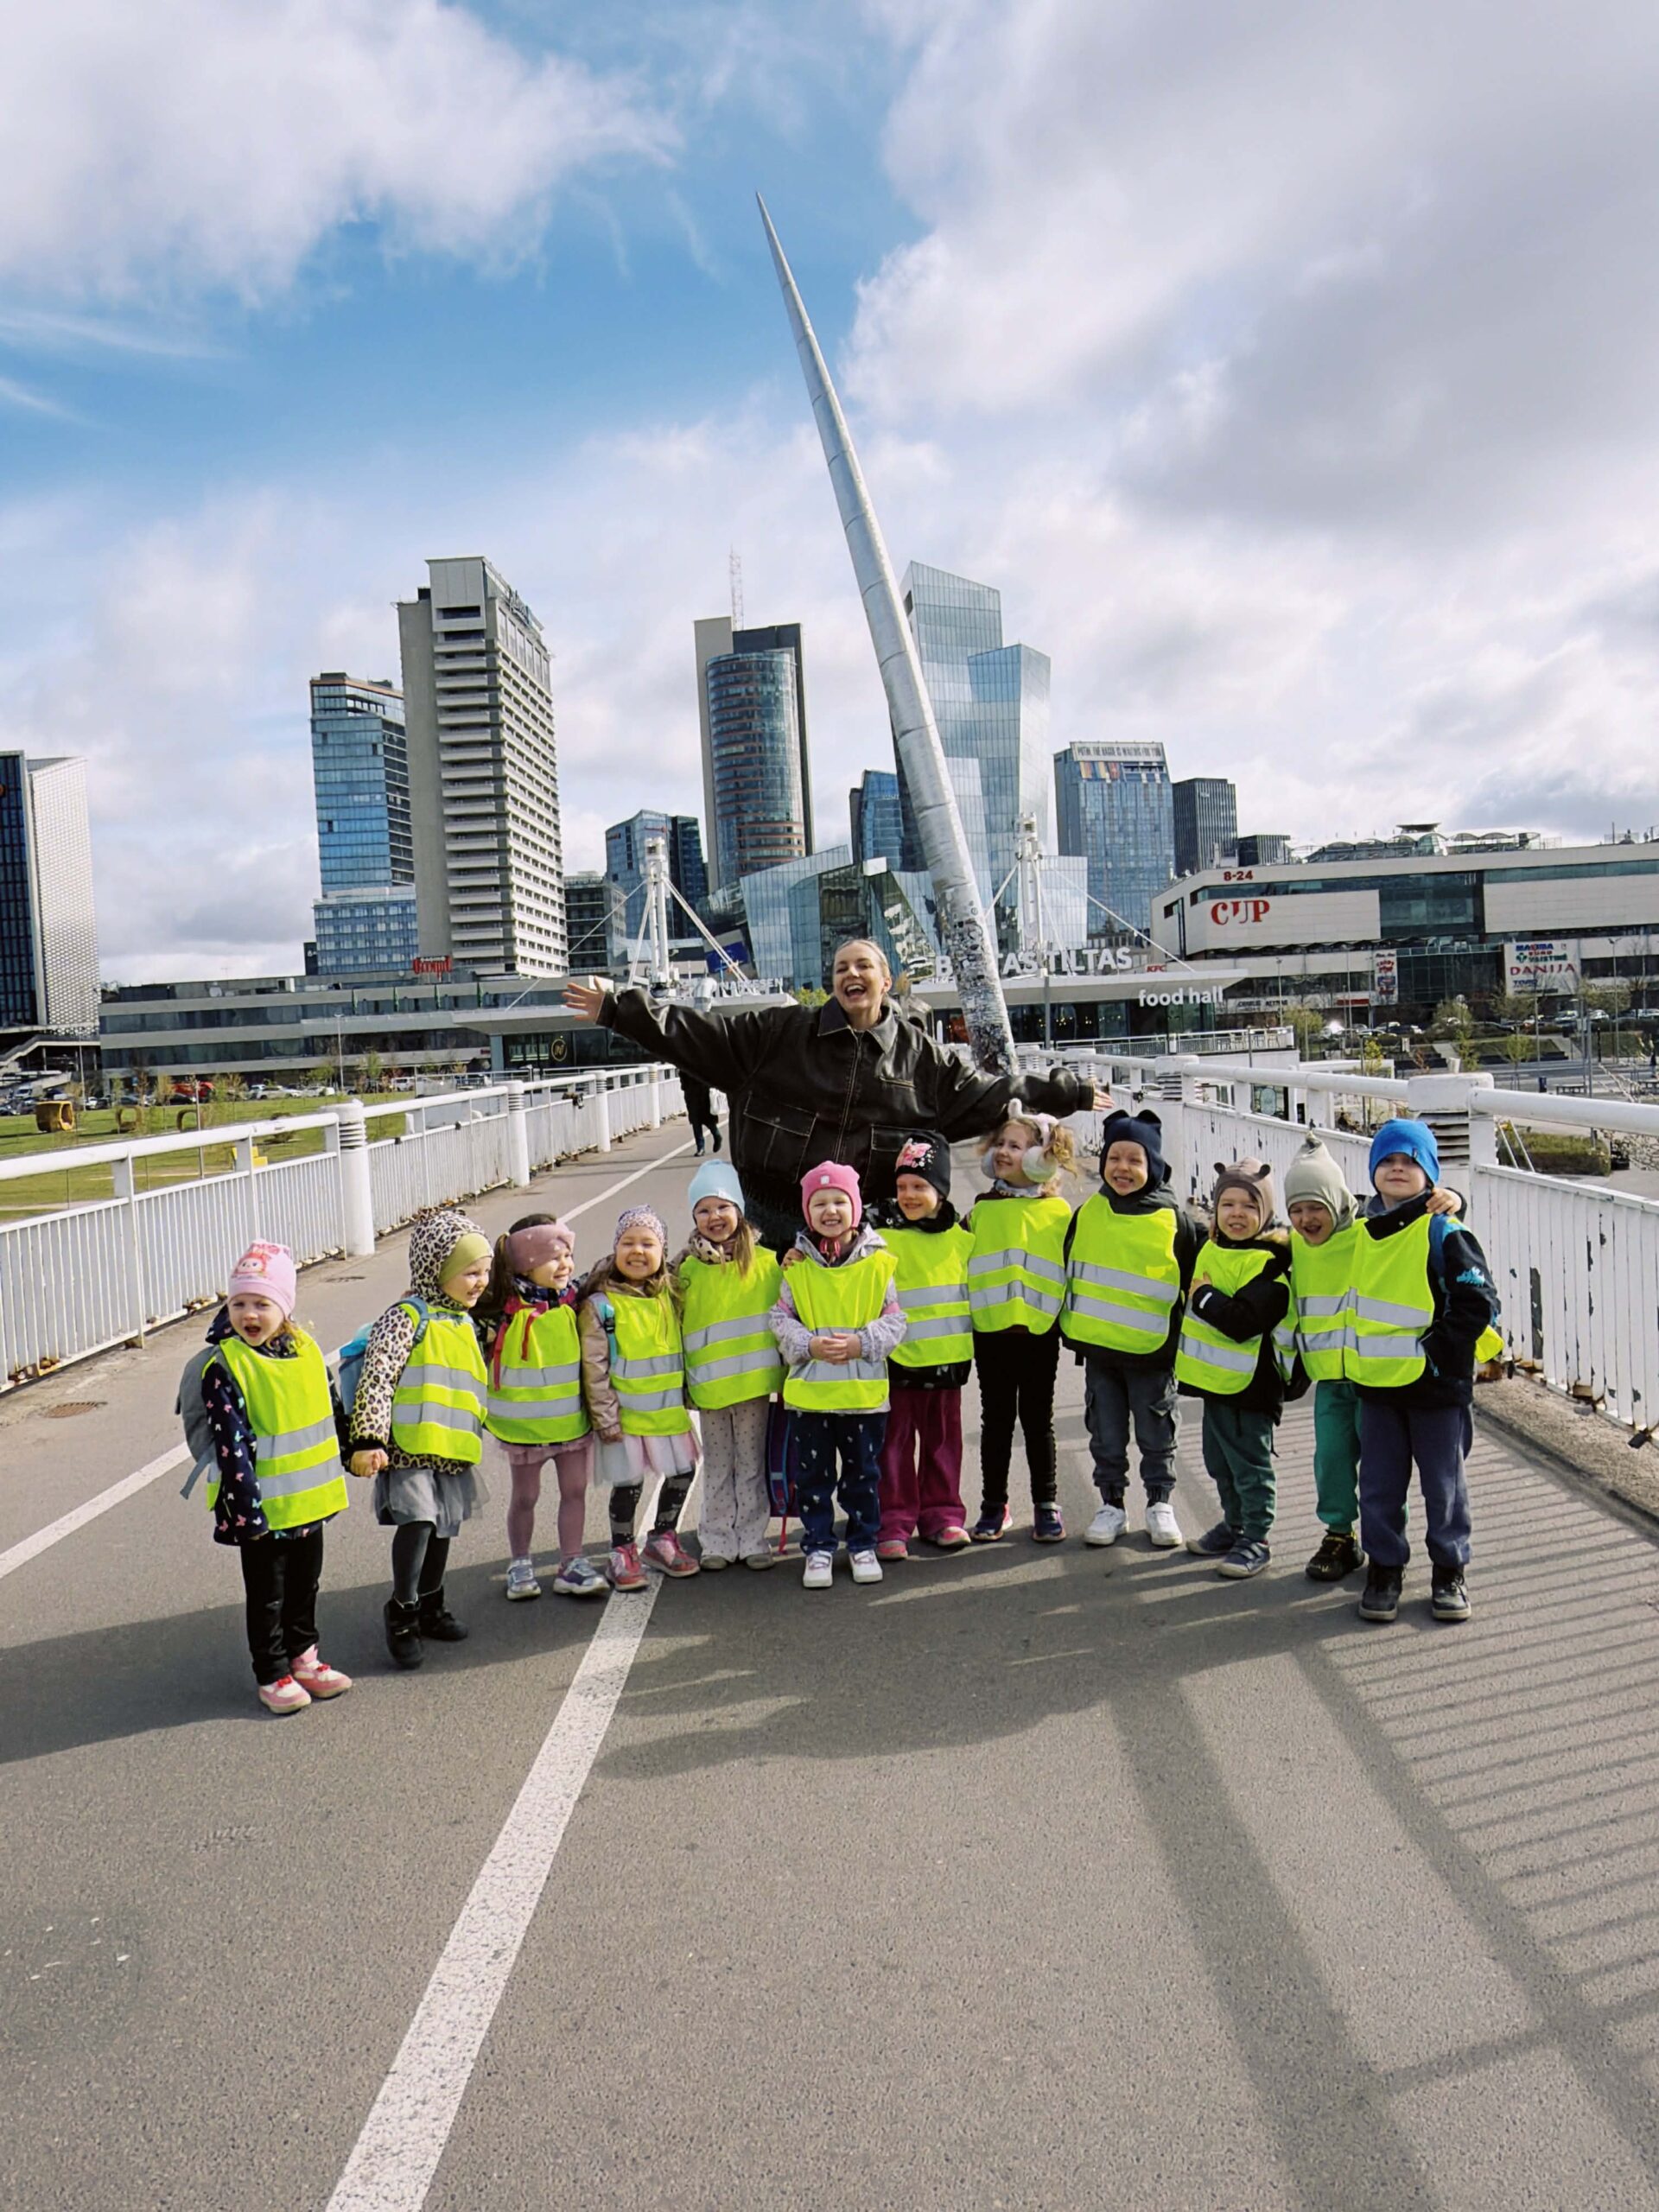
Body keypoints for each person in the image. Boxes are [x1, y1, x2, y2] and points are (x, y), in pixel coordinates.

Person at [564, 938, 1099, 1247]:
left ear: (885, 981)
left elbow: (989, 1095)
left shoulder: (922, 1058)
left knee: (854, 1356)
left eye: (863, 965)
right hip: (769, 1217)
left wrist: (1068, 1092)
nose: (851, 973)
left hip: (862, 1226)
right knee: (775, 1353)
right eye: (842, 968)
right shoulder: (780, 1033)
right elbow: (694, 1033)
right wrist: (617, 1009)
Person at [178, 1241, 352, 1714]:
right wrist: (246, 1513)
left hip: (308, 1502)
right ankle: (272, 1671)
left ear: (285, 1307)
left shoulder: (306, 1352)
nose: (249, 1314)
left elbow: (330, 1407)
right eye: (238, 1303)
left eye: (261, 1303)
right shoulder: (226, 1366)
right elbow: (230, 1444)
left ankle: (304, 1656)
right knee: (268, 1595)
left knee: (305, 1584)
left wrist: (355, 1448)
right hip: (258, 1509)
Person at [1349, 1119, 1499, 1626]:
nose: (1397, 1169)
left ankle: (1449, 1570)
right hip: (1378, 1384)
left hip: (1436, 1386)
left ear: (1430, 1175)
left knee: (1444, 1486)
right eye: (1387, 1161)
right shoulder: (1361, 1230)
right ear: (1373, 1170)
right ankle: (1384, 1568)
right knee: (1378, 1485)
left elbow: (1477, 1301)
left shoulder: (1444, 1231)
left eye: (1410, 1162)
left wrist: (1435, 1351)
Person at [348, 1207, 492, 1670]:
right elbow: (378, 1377)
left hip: (449, 1447)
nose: (480, 1282)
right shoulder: (407, 1316)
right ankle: (403, 1611)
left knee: (443, 1526)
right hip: (406, 1448)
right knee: (419, 1522)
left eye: (484, 1272)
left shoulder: (464, 1322)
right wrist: (368, 1438)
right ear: (438, 1270)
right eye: (470, 1272)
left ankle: (431, 1603)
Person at [1061, 1109, 1205, 1552]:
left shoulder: (1175, 1221)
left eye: (1135, 1160)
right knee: (1105, 1434)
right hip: (1101, 1352)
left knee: (1157, 1433)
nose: (1122, 1168)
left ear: (1154, 1165)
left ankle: (1160, 1503)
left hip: (1153, 1354)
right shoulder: (1088, 1212)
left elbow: (1199, 1275)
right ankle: (1112, 1505)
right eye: (1114, 1158)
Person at [770, 1163, 906, 1589]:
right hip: (810, 1398)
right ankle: (818, 1547)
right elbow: (780, 1319)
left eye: (839, 1201)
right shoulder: (796, 1267)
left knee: (862, 1476)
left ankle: (863, 1543)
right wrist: (808, 1345)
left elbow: (895, 1322)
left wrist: (862, 1343)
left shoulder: (879, 1264)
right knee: (813, 1479)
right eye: (819, 1203)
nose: (830, 1211)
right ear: (807, 1213)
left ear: (856, 1208)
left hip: (864, 1398)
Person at [480, 1214, 606, 1601]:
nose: (565, 1265)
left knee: (575, 1490)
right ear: (526, 1264)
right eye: (554, 1258)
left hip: (570, 1421)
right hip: (526, 1428)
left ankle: (572, 1562)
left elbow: (609, 1271)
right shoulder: (501, 1310)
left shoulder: (574, 1299)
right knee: (525, 1497)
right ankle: (520, 1563)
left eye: (568, 1255)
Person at [1175, 1161, 1293, 1580]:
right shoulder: (1212, 1247)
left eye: (1249, 1205)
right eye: (1227, 1204)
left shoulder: (1271, 1264)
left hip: (1251, 1388)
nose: (1237, 1213)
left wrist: (1204, 1296)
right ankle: (1235, 1523)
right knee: (1219, 1462)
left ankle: (1257, 1537)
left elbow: (1244, 1322)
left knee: (1249, 1467)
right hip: (1216, 1384)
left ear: (1266, 1213)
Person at [967, 1111, 1077, 1543]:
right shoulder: (981, 1210)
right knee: (995, 1421)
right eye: (1000, 1144)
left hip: (1038, 1331)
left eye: (1015, 1146)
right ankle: (994, 1505)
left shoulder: (1058, 1213)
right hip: (991, 1330)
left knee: (1037, 1420)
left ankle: (1046, 1503)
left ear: (1040, 1157)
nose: (1003, 1152)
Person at [578, 1207, 700, 1589]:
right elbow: (594, 1368)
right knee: (628, 1484)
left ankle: (662, 1537)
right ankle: (621, 1549)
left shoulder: (671, 1294)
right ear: (614, 1249)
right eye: (627, 1242)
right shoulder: (601, 1305)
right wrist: (605, 1418)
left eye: (648, 1243)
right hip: (626, 1417)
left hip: (667, 1412)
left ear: (662, 1251)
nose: (637, 1251)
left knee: (683, 1472)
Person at [871, 1132, 974, 1560]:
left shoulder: (963, 1238)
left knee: (943, 1444)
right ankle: (893, 1521)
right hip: (896, 1362)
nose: (909, 1195)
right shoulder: (879, 1237)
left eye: (920, 1186)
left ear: (941, 1191)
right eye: (902, 1186)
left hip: (948, 1361)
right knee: (893, 1447)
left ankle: (943, 1513)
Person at [675, 1159, 782, 1569]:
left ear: (739, 1209)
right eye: (703, 1210)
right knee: (718, 1467)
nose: (714, 1217)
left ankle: (752, 1537)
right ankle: (717, 1539)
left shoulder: (768, 1263)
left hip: (754, 1386)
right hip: (710, 1388)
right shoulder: (685, 1271)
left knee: (751, 1464)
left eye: (722, 1206)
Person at [682, 1071, 721, 1157]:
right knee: (696, 1123)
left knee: (708, 1120)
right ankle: (700, 1148)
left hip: (704, 1093)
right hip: (691, 1093)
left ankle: (717, 1135)